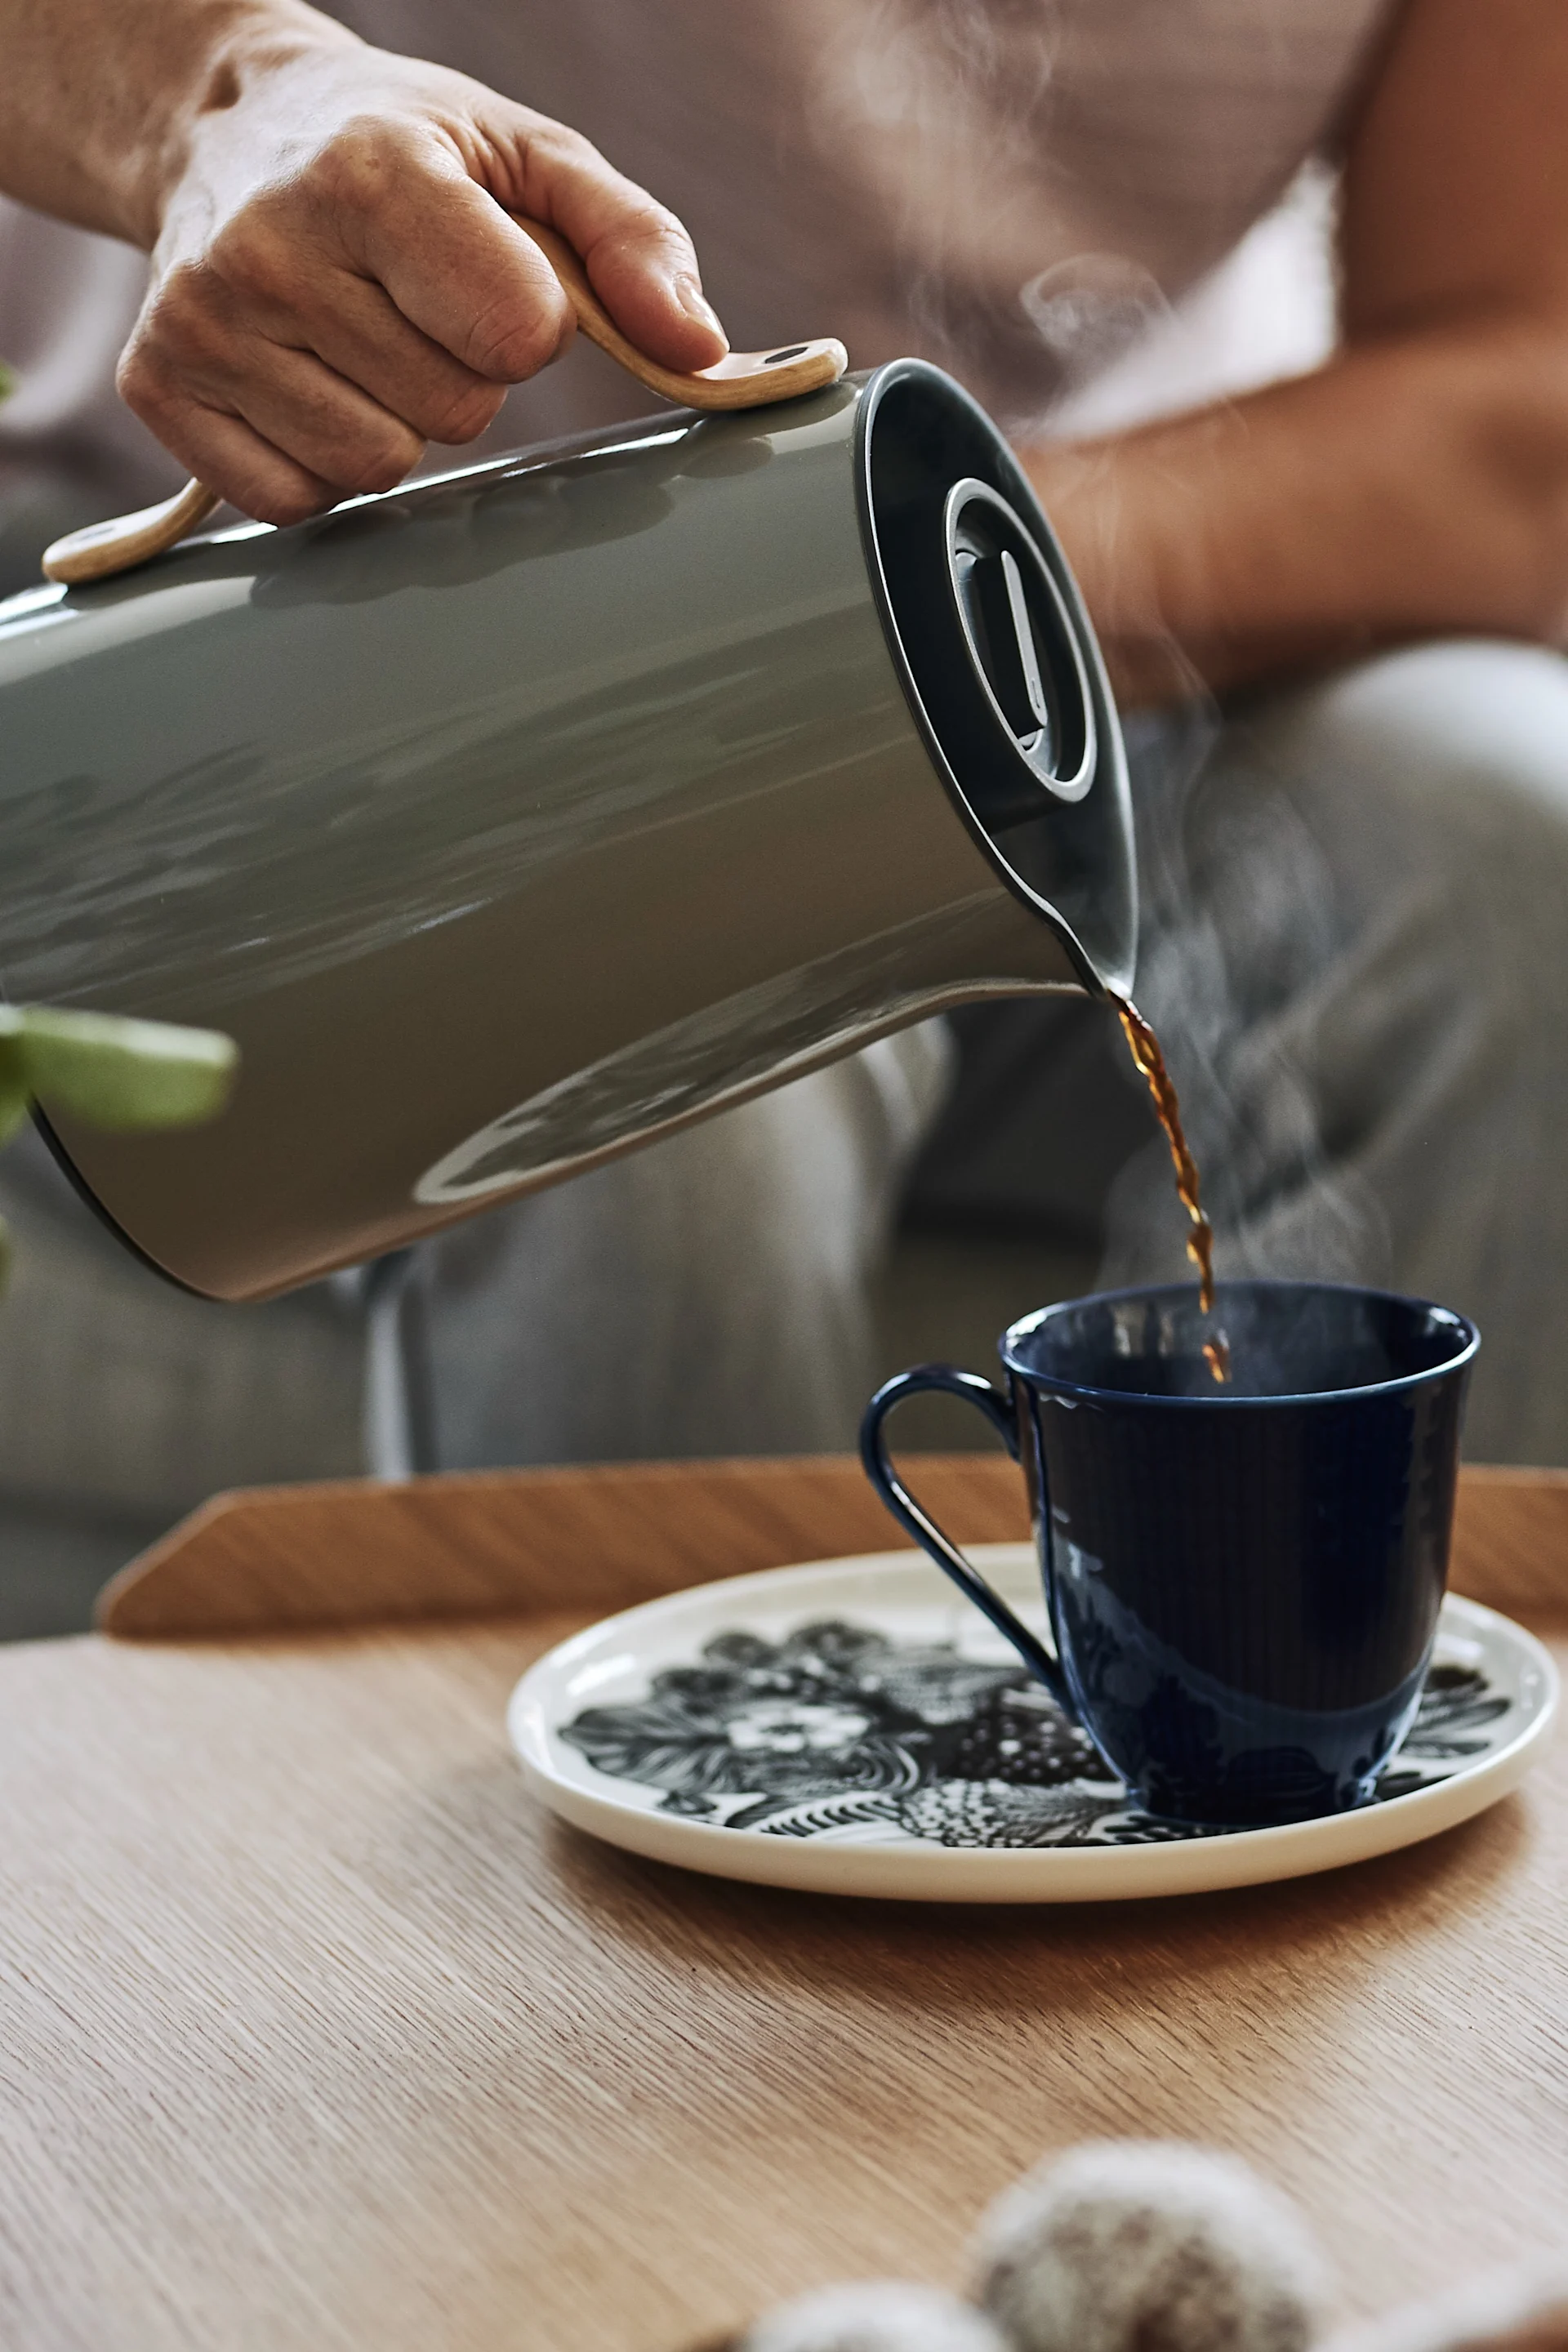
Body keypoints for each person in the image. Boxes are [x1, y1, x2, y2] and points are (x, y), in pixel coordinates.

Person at [2, 0, 1567, 1564]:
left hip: (1098, 587)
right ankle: (661, 1721)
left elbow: (1518, 407)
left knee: (1517, 862)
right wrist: (231, 92)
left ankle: (1282, 1692)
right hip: (335, 638)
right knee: (654, 1034)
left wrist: (875, 570)